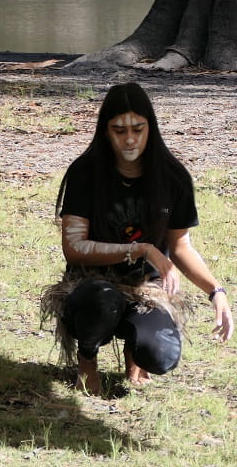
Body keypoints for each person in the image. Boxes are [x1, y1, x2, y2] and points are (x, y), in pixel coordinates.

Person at [42, 82, 233, 395]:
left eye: (138, 129)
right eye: (119, 130)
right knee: (101, 301)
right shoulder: (84, 173)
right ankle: (87, 358)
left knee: (161, 356)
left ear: (150, 129)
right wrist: (141, 249)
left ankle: (136, 350)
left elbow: (181, 246)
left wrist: (216, 291)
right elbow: (74, 248)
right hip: (90, 285)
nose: (129, 139)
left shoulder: (173, 178)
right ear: (106, 132)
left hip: (147, 289)